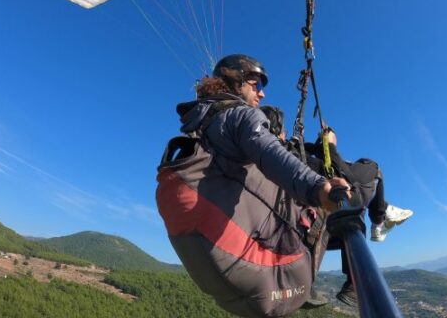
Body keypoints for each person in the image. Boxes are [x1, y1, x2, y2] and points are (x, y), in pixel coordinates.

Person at [156, 54, 350, 318]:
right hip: (262, 271)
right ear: (235, 81)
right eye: (255, 84)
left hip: (231, 274)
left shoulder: (202, 126)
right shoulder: (241, 115)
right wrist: (318, 188)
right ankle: (352, 280)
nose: (261, 93)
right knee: (345, 205)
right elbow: (270, 154)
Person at [259, 104, 414, 307]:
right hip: (316, 220)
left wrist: (313, 144)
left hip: (297, 225)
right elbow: (339, 176)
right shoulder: (289, 160)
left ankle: (381, 215)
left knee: (349, 207)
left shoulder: (267, 158)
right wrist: (330, 145)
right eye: (284, 131)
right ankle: (379, 219)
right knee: (371, 170)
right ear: (278, 131)